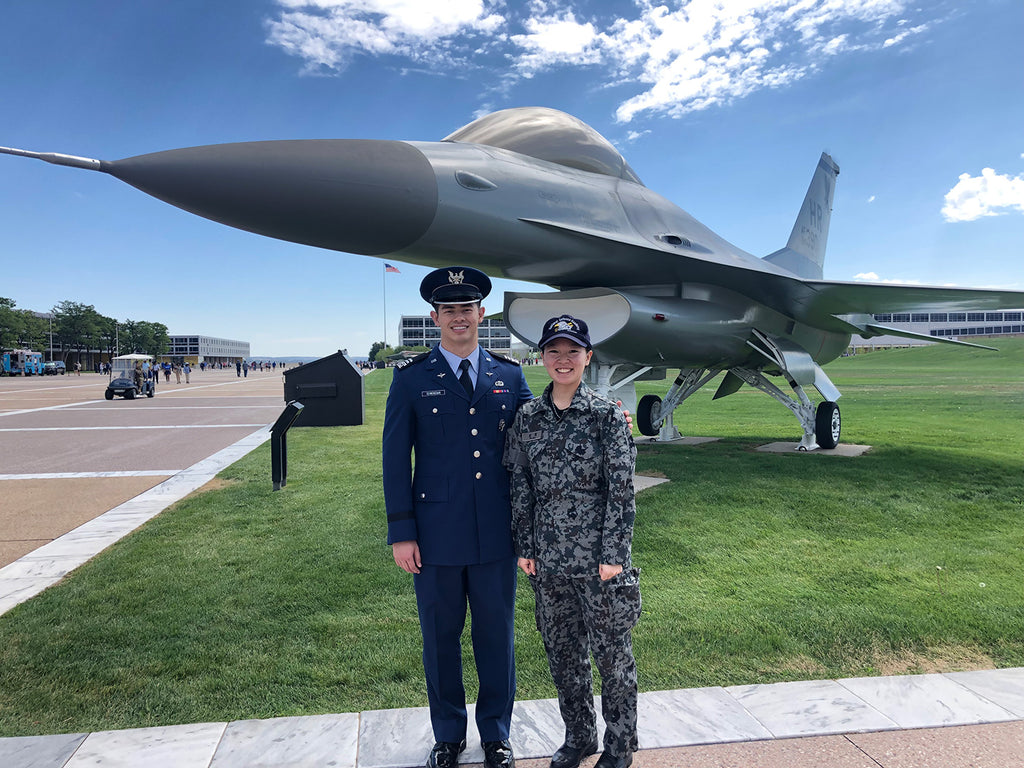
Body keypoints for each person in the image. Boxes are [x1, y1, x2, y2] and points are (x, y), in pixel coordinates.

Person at [383, 266, 533, 768]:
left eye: (466, 309)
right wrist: (402, 533)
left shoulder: (509, 376)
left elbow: (542, 430)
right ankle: (447, 735)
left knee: (496, 638)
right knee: (440, 640)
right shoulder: (410, 380)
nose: (459, 317)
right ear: (435, 317)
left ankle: (496, 734)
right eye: (449, 310)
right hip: (435, 538)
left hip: (495, 534)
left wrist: (601, 413)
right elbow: (393, 459)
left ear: (481, 314)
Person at [504, 315, 640, 768]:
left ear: (588, 356)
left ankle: (620, 746)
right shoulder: (527, 417)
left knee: (612, 658)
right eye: (554, 352)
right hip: (549, 562)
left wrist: (615, 555)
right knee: (563, 657)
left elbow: (622, 488)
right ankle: (579, 737)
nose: (563, 360)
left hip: (599, 563)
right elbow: (521, 484)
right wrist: (525, 547)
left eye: (573, 352)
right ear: (541, 357)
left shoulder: (606, 416)